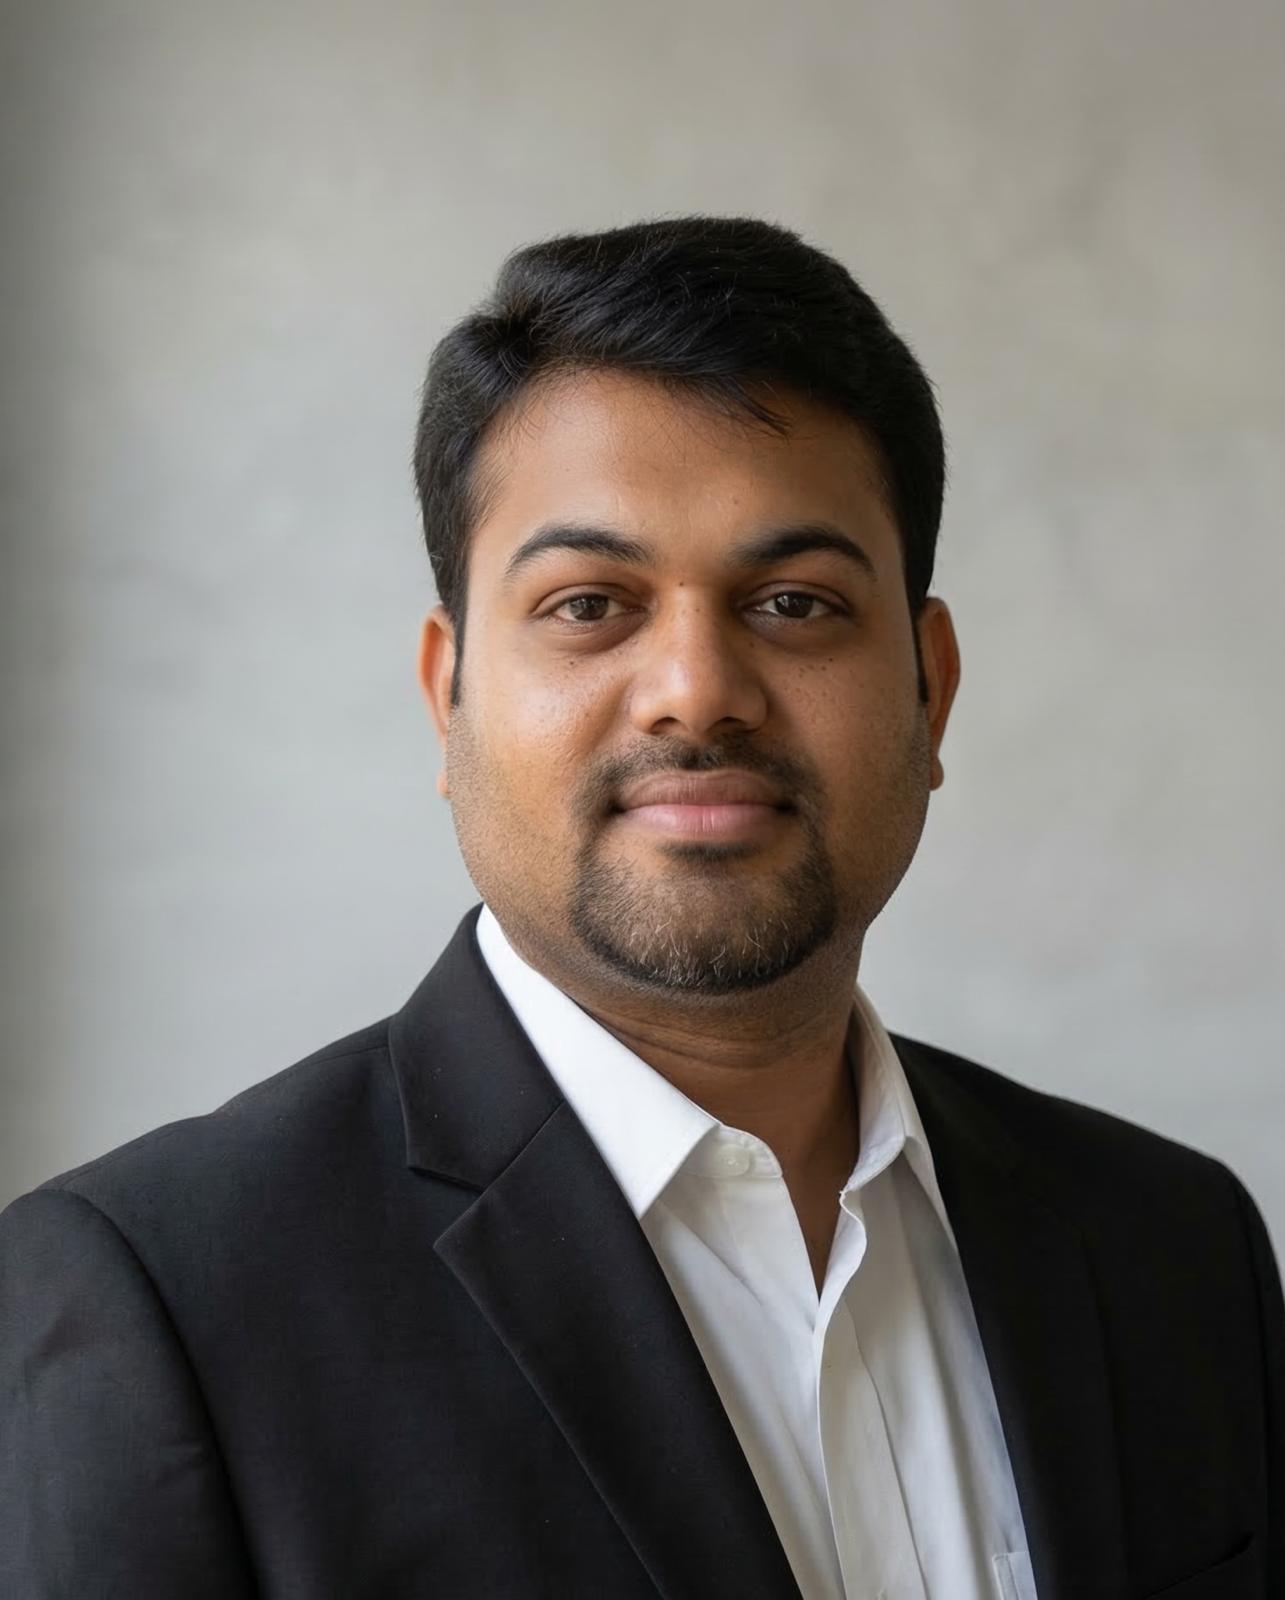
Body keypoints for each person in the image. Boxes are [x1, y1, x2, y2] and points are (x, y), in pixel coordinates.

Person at [1, 217, 1279, 1600]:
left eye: (794, 602)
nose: (696, 690)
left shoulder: (1173, 1246)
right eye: (588, 604)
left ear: (932, 689)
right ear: (446, 696)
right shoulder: (159, 1303)